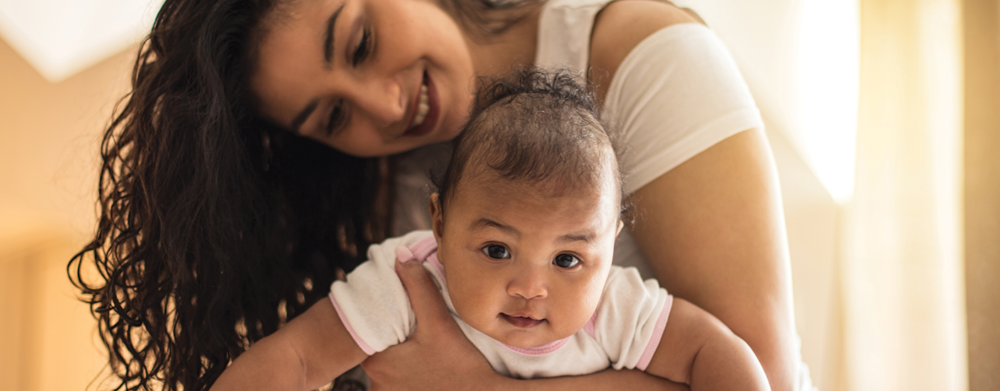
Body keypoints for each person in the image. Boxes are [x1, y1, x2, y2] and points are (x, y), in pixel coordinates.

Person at [69, 0, 811, 390]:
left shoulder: (641, 57)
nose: (384, 103)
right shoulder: (398, 218)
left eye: (358, 42)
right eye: (333, 116)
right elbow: (297, 360)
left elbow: (762, 376)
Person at [210, 70, 770, 391]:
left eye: (568, 259)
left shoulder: (614, 308)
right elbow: (298, 358)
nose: (530, 287)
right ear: (439, 223)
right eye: (497, 249)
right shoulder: (412, 282)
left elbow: (718, 355)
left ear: (610, 243)